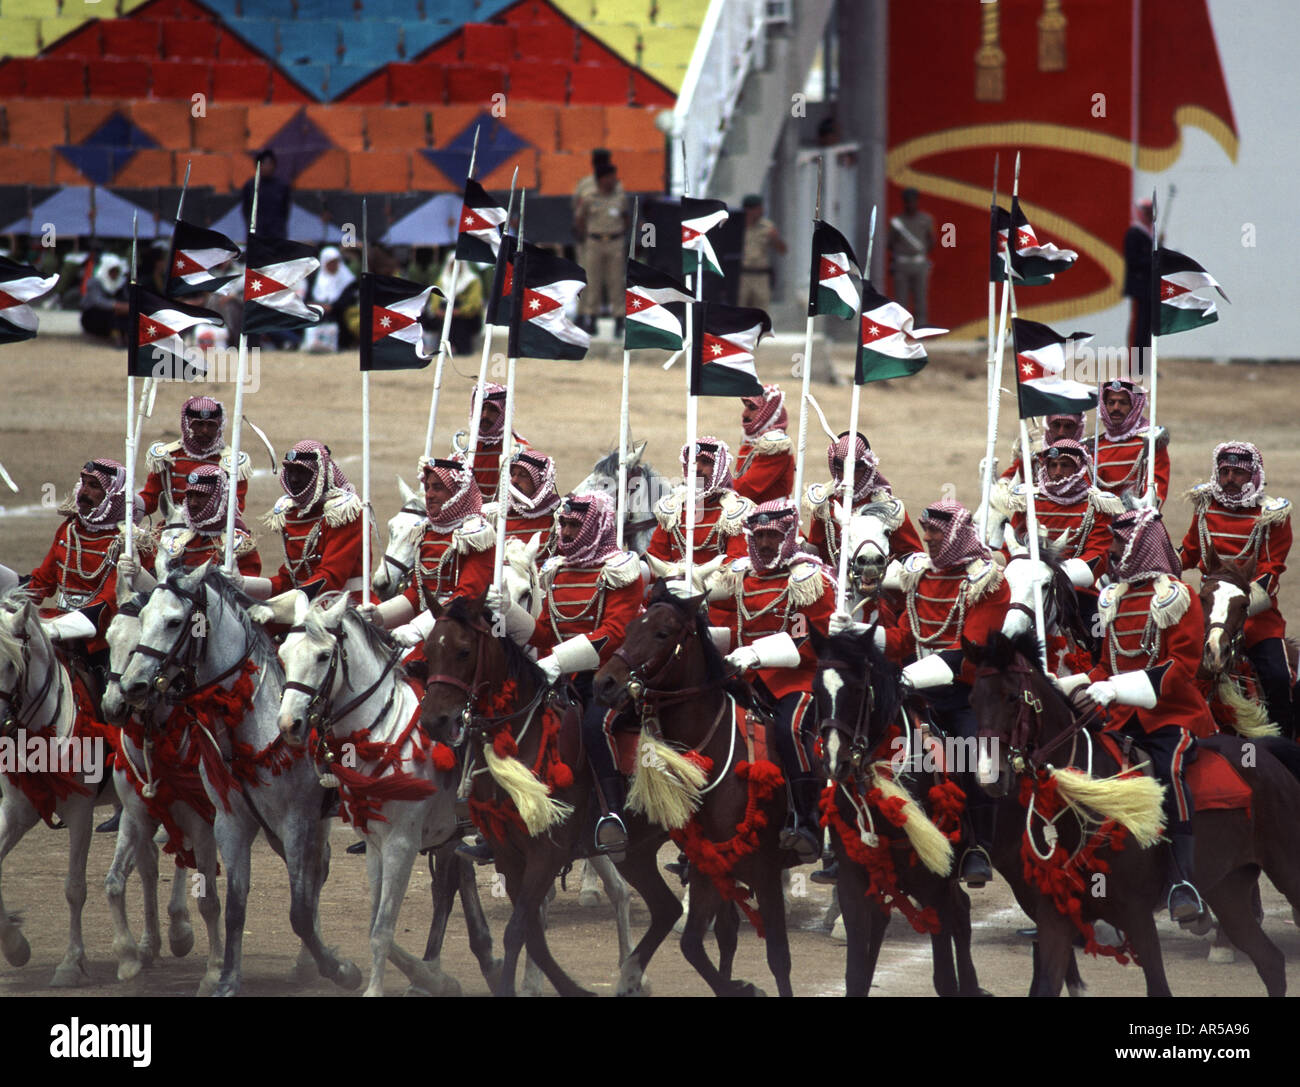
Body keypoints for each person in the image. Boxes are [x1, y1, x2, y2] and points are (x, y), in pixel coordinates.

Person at [1075, 507, 1217, 925]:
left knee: (1169, 771)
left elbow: (1181, 667)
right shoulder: (1115, 597)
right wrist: (1074, 684)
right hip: (1120, 718)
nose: (1113, 550)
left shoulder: (1177, 596)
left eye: (1120, 543)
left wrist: (1117, 688)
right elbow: (1108, 664)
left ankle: (1181, 880)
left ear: (1139, 546)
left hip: (1172, 715)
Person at [491, 492, 643, 860]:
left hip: (608, 679)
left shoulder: (621, 571)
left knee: (594, 726)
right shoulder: (556, 570)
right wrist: (509, 612)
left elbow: (614, 633)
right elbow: (543, 632)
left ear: (595, 527)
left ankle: (612, 813)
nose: (567, 532)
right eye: (565, 525)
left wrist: (558, 660)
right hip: (561, 678)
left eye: (576, 526)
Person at [871, 499, 1011, 886]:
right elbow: (904, 637)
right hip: (915, 691)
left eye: (936, 531)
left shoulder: (988, 582)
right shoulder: (919, 576)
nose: (927, 538)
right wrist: (864, 637)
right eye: (926, 529)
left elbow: (972, 648)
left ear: (955, 534)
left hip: (965, 693)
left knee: (971, 756)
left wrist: (912, 675)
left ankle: (978, 846)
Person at [709, 501, 836, 862]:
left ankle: (806, 818)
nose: (765, 544)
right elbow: (731, 628)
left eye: (773, 536)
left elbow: (815, 642)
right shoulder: (740, 576)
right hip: (746, 677)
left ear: (788, 535)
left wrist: (759, 653)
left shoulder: (808, 579)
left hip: (797, 679)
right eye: (759, 535)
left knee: (790, 729)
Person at [1178, 442, 1294, 737]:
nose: (1229, 478)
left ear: (1254, 475)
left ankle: (1285, 745)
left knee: (1278, 677)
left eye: (1238, 473)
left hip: (1253, 613)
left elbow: (1271, 572)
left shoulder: (1272, 515)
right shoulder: (1205, 506)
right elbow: (1188, 554)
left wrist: (1237, 604)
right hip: (1207, 607)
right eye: (1224, 471)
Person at [26, 458, 148, 676]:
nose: (84, 492)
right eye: (83, 483)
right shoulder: (69, 529)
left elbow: (107, 606)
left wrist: (52, 630)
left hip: (99, 639)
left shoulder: (127, 543)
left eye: (94, 486)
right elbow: (41, 583)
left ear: (113, 495)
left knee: (111, 701)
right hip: (58, 619)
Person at [363, 457, 495, 647]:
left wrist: (417, 629)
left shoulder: (475, 535)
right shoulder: (426, 532)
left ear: (456, 493)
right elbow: (417, 595)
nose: (429, 495)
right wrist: (379, 615)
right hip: (426, 626)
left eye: (438, 488)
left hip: (460, 635)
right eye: (428, 488)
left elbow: (467, 596)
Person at [222, 440, 365, 601]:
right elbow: (287, 581)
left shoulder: (343, 512)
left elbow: (331, 577)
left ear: (320, 474)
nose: (294, 479)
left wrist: (279, 606)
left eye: (302, 472)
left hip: (345, 603)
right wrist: (242, 583)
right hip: (300, 601)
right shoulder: (291, 513)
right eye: (291, 471)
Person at [121, 464, 260, 586]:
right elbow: (155, 586)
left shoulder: (238, 544)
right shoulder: (173, 537)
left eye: (200, 496)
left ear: (219, 498)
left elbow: (248, 594)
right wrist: (137, 572)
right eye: (190, 496)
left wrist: (238, 582)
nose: (193, 503)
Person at [806, 431, 923, 570]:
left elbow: (912, 553)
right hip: (835, 582)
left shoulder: (888, 507)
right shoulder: (825, 505)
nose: (848, 476)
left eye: (857, 470)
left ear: (867, 467)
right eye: (840, 469)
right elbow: (816, 551)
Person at [646, 438, 753, 582]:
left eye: (705, 462)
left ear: (718, 468)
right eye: (693, 462)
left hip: (716, 598)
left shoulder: (734, 511)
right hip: (672, 591)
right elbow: (656, 557)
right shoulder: (674, 508)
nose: (696, 468)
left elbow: (734, 566)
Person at [139, 396, 250, 523]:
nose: (205, 430)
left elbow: (236, 509)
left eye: (211, 425)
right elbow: (150, 499)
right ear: (186, 424)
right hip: (174, 530)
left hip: (214, 532)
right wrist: (126, 505)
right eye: (198, 424)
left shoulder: (232, 463)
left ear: (220, 426)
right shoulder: (166, 457)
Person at [450, 382, 531, 503]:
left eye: (493, 409)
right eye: (480, 408)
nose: (485, 415)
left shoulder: (518, 449)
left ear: (504, 412)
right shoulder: (462, 444)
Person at [1094, 379, 1169, 506]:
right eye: (1111, 403)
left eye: (1123, 403)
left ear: (1134, 406)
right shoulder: (1095, 446)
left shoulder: (1151, 442)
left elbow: (1156, 494)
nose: (1116, 408)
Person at [574, 162, 628, 334]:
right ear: (600, 179)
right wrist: (587, 236)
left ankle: (619, 319)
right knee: (592, 281)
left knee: (616, 281)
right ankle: (592, 318)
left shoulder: (620, 197)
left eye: (614, 176)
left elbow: (626, 217)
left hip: (615, 242)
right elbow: (580, 219)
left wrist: (619, 234)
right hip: (594, 242)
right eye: (609, 177)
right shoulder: (590, 197)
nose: (613, 180)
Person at [732, 384, 795, 505]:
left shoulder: (775, 445)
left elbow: (748, 487)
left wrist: (715, 484)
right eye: (745, 407)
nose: (744, 414)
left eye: (752, 408)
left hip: (771, 518)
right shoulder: (752, 440)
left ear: (769, 412)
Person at [887, 188, 935, 326]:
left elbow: (931, 241)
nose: (910, 204)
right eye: (908, 202)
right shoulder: (897, 222)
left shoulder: (926, 220)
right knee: (901, 300)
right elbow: (890, 243)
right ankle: (902, 329)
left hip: (919, 264)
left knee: (920, 299)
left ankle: (920, 328)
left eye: (913, 201)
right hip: (902, 264)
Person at [998, 412, 1087, 484]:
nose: (1061, 433)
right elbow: (1005, 481)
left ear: (1078, 428)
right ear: (1048, 426)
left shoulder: (1089, 457)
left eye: (1068, 427)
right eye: (1056, 425)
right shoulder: (1034, 456)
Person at [738, 194, 787, 311]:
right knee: (739, 311)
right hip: (741, 275)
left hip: (761, 276)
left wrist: (775, 238)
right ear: (748, 210)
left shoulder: (767, 226)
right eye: (758, 208)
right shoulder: (737, 225)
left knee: (761, 312)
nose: (761, 211)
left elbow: (782, 250)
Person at [431, 249, 484, 357]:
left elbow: (474, 302)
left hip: (466, 317)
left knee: (456, 308)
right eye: (452, 264)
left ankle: (462, 347)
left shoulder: (472, 280)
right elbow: (435, 299)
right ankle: (444, 346)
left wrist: (459, 312)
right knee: (445, 309)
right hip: (444, 314)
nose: (455, 267)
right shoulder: (442, 280)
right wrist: (437, 310)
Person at [1123, 199, 1155, 362]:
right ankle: (1135, 365)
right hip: (1139, 289)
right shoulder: (1134, 234)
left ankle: (1146, 363)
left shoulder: (1150, 234)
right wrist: (1153, 258)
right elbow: (1133, 261)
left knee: (1148, 329)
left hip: (1149, 290)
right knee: (1138, 328)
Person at [310, 246, 358, 349]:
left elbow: (348, 299)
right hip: (318, 309)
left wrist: (332, 307)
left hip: (339, 312)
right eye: (330, 262)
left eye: (335, 262)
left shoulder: (347, 279)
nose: (333, 265)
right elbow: (308, 297)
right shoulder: (315, 278)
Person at [79, 253, 130, 344]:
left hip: (115, 315)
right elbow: (97, 301)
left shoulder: (121, 283)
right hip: (93, 317)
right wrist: (116, 306)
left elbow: (125, 299)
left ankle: (125, 337)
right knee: (113, 311)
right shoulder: (95, 282)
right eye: (112, 271)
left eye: (116, 271)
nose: (114, 274)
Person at [242, 149, 291, 240]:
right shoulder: (250, 186)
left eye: (270, 164)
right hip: (257, 233)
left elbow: (285, 210)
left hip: (277, 233)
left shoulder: (282, 186)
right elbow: (246, 209)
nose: (268, 167)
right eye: (265, 164)